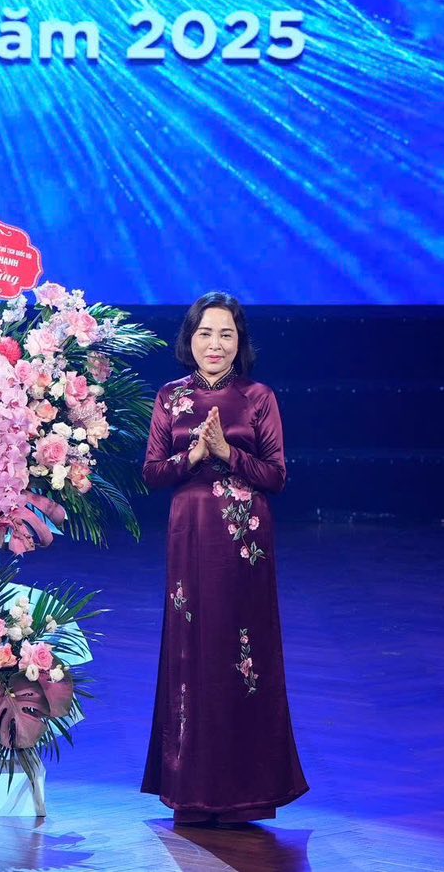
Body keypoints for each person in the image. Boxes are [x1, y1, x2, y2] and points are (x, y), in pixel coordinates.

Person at [141, 291, 307, 825]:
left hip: (243, 541)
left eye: (226, 335)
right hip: (189, 535)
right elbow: (152, 474)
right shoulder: (170, 397)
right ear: (189, 340)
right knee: (192, 650)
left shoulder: (258, 397)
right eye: (205, 333)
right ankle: (190, 791)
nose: (215, 344)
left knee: (242, 650)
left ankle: (245, 794)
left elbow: (276, 475)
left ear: (240, 342)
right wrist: (193, 455)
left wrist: (227, 454)